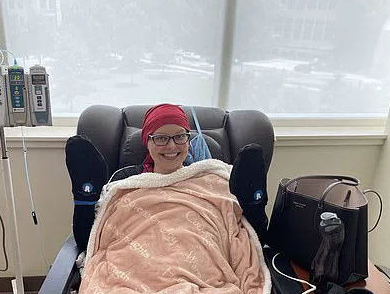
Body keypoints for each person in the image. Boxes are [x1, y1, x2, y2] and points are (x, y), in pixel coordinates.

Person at [65, 103, 270, 250]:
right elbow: (93, 239)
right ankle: (86, 195)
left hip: (204, 258)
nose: (172, 146)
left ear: (188, 140)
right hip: (137, 260)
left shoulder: (209, 176)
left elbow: (242, 237)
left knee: (246, 233)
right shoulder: (126, 179)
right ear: (147, 142)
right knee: (95, 219)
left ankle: (253, 202)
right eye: (161, 138)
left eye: (180, 136)